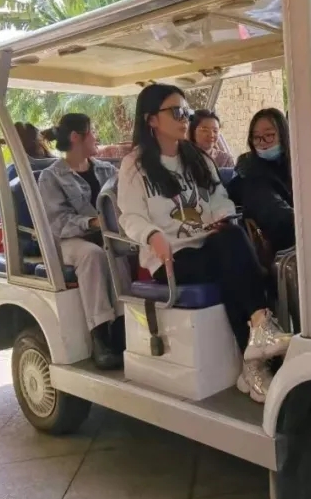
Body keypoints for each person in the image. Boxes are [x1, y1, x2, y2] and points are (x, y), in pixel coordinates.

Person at [116, 84, 292, 403]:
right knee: (233, 263)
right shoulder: (135, 165)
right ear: (151, 119)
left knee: (232, 242)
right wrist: (152, 236)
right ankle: (256, 353)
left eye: (186, 111)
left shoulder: (196, 158)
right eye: (176, 112)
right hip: (171, 259)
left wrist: (221, 216)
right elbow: (130, 216)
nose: (185, 118)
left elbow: (219, 197)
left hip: (209, 246)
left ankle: (257, 344)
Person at [38, 113, 130, 370]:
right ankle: (99, 335)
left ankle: (123, 327)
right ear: (76, 137)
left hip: (106, 235)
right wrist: (91, 223)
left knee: (119, 251)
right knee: (93, 255)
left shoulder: (107, 170)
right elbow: (57, 222)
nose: (96, 137)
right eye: (92, 132)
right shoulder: (51, 177)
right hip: (70, 240)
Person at [234, 108, 295, 254]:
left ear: (284, 135)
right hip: (283, 245)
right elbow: (276, 214)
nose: (262, 142)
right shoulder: (249, 172)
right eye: (256, 137)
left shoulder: (295, 164)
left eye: (269, 135)